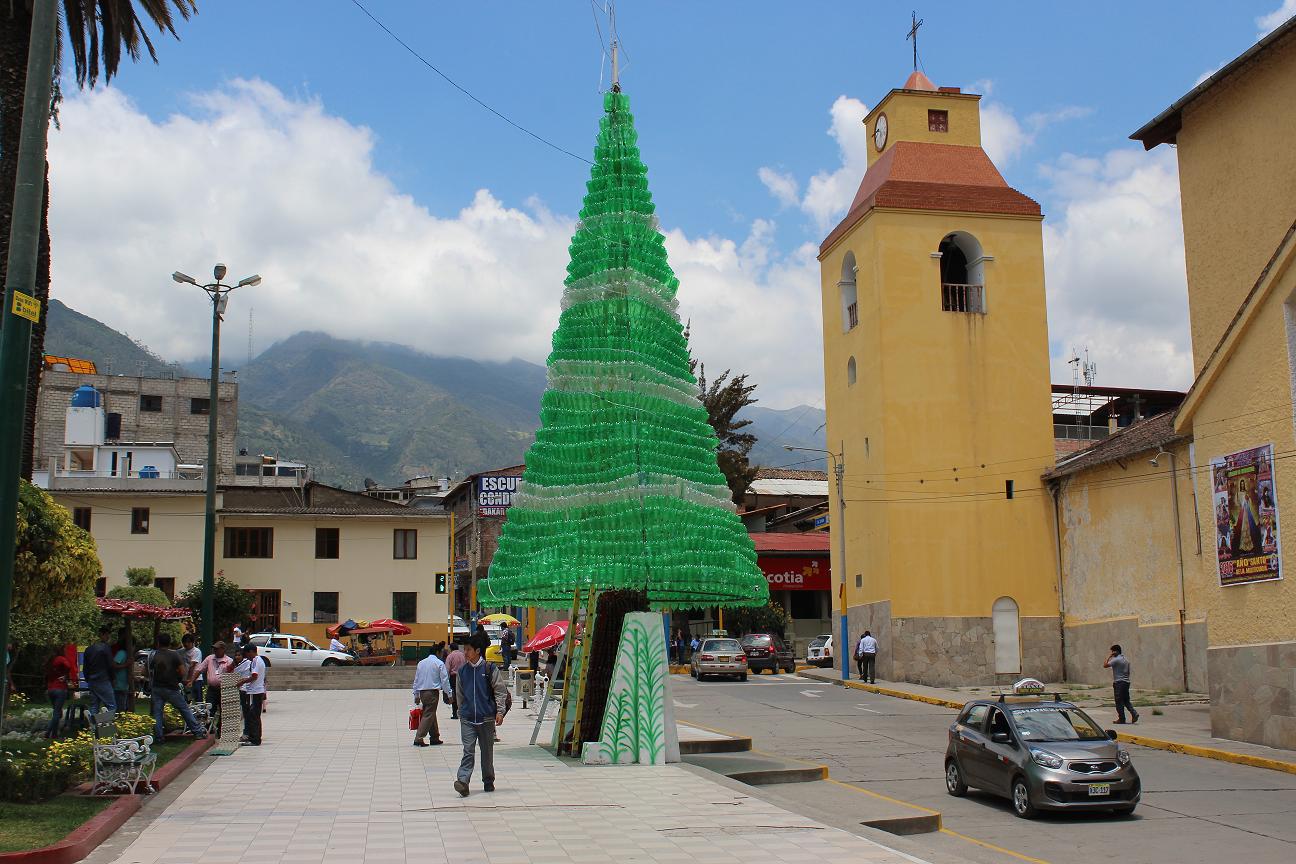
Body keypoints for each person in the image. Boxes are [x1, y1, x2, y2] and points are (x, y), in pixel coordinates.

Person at [452, 633, 509, 797]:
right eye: (464, 649)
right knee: (468, 750)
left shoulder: (489, 669)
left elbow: (500, 691)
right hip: (468, 718)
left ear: (477, 651)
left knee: (486, 751)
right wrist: (461, 712)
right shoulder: (462, 671)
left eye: (468, 650)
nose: (465, 653)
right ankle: (463, 781)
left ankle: (488, 780)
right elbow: (460, 694)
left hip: (486, 718)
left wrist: (500, 712)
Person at [148, 633, 208, 743]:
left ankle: (159, 737)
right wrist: (179, 678)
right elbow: (182, 671)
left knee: (157, 713)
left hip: (157, 687)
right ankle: (198, 732)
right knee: (184, 709)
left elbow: (145, 671)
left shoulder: (153, 655)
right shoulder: (174, 655)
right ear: (169, 643)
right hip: (171, 687)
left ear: (158, 643)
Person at [412, 642, 453, 747]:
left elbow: (416, 680)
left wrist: (416, 694)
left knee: (431, 713)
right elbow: (445, 680)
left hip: (422, 692)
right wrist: (449, 694)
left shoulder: (421, 663)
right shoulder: (439, 663)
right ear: (438, 652)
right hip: (432, 692)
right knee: (429, 714)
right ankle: (419, 738)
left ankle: (435, 737)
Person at [189, 641, 235, 734]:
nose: (215, 650)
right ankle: (208, 729)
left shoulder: (229, 661)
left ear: (223, 649)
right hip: (212, 689)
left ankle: (221, 731)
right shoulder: (210, 658)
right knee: (209, 710)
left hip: (224, 689)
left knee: (224, 712)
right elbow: (199, 669)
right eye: (214, 649)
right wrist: (191, 681)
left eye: (217, 649)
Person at [235, 643, 267, 745]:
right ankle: (255, 737)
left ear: (251, 652)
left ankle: (254, 739)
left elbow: (254, 676)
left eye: (246, 653)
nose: (246, 656)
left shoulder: (255, 661)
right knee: (255, 715)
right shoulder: (259, 660)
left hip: (254, 691)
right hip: (257, 691)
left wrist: (243, 681)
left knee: (253, 715)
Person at [83, 625, 117, 713]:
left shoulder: (88, 649)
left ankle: (92, 720)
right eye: (107, 634)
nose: (108, 637)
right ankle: (109, 721)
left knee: (94, 706)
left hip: (92, 680)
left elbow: (85, 667)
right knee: (111, 706)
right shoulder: (106, 648)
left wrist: (87, 678)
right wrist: (113, 678)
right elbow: (110, 665)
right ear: (102, 635)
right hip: (103, 680)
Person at [1104, 644, 1139, 724]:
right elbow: (1128, 672)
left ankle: (1122, 719)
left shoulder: (1116, 660)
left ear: (1116, 651)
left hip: (1119, 683)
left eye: (1112, 651)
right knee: (1126, 700)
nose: (1112, 653)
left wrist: (1109, 657)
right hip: (1126, 682)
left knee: (1119, 701)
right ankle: (1134, 713)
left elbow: (1105, 665)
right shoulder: (1126, 660)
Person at [45, 648, 74, 738]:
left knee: (57, 712)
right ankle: (50, 733)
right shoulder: (60, 658)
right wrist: (65, 675)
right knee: (57, 713)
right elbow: (68, 666)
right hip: (60, 688)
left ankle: (51, 733)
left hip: (50, 689)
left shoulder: (49, 661)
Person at [444, 641, 467, 720]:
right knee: (462, 694)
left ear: (451, 648)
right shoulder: (463, 655)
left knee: (454, 695)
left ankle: (455, 713)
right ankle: (462, 712)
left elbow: (447, 669)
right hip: (463, 676)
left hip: (453, 677)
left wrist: (446, 680)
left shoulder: (450, 656)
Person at [111, 629, 131, 710]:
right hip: (118, 685)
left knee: (123, 707)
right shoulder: (121, 653)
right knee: (120, 708)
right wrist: (126, 664)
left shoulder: (127, 654)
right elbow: (113, 665)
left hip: (124, 686)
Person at [181, 633, 203, 705]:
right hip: (185, 680)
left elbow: (192, 666)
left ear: (192, 643)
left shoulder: (196, 651)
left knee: (198, 701)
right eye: (184, 642)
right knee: (187, 700)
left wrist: (190, 680)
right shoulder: (181, 651)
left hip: (196, 679)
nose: (186, 644)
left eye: (188, 642)